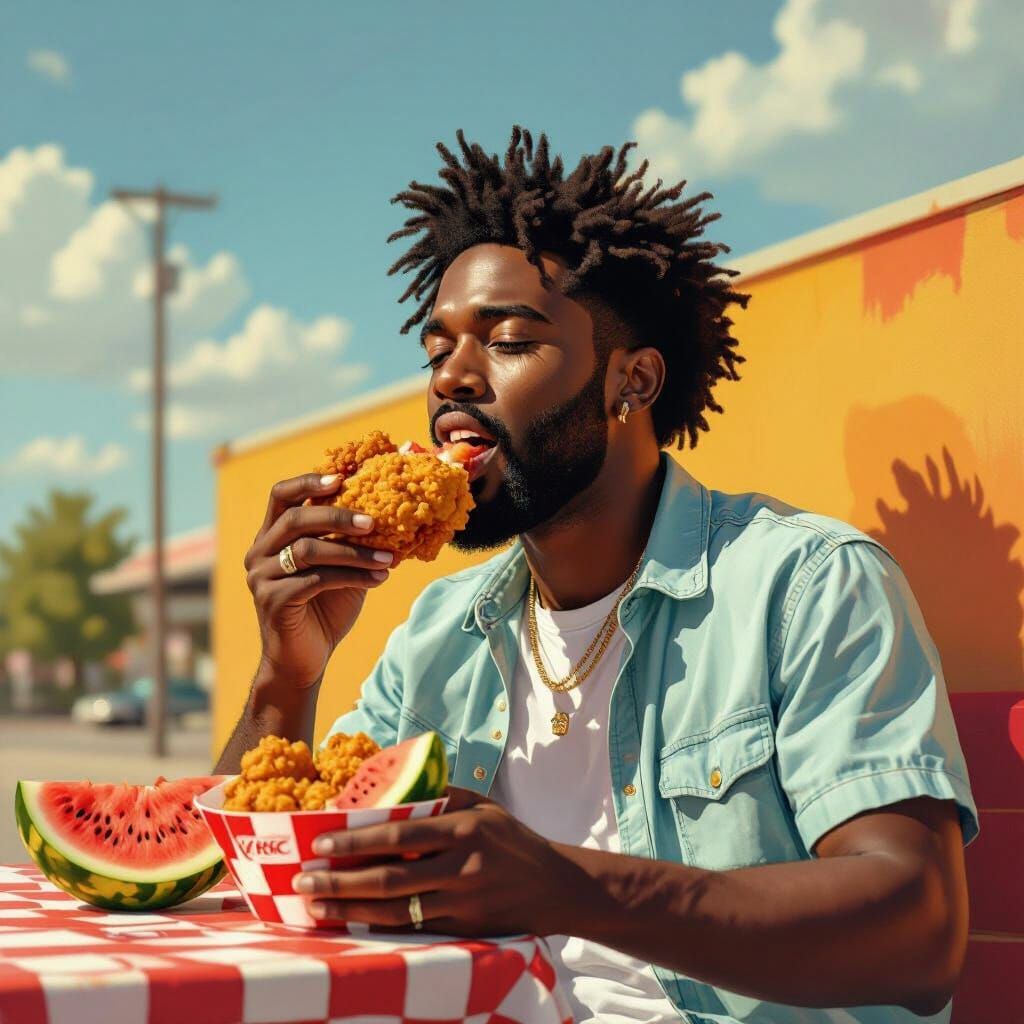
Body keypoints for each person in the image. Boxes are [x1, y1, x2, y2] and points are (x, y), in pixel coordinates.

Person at [216, 127, 978, 1024]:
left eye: (507, 341)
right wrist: (286, 675)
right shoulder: (440, 631)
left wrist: (567, 886)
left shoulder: (805, 586)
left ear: (633, 382)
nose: (452, 379)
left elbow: (919, 934)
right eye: (435, 351)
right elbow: (251, 882)